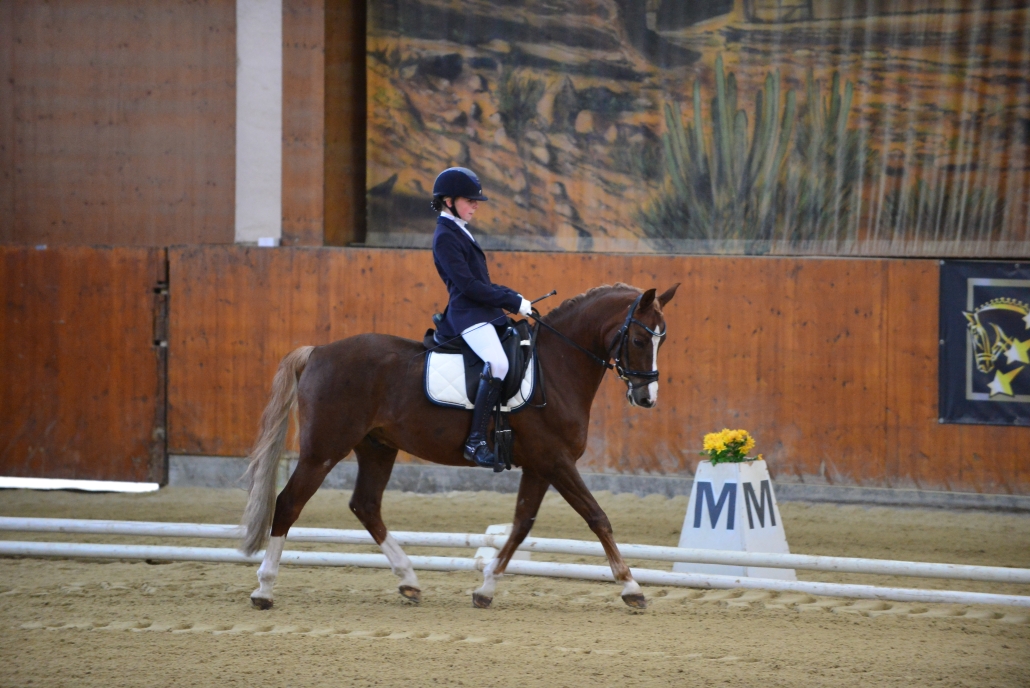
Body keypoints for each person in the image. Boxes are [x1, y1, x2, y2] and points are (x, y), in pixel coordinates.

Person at [430, 167, 533, 471]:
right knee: (499, 364)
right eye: (469, 200)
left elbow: (483, 283)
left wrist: (517, 299)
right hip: (467, 314)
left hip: (483, 311)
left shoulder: (459, 228)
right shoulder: (445, 236)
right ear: (448, 200)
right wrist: (511, 301)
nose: (475, 205)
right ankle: (475, 442)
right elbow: (469, 287)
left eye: (476, 201)